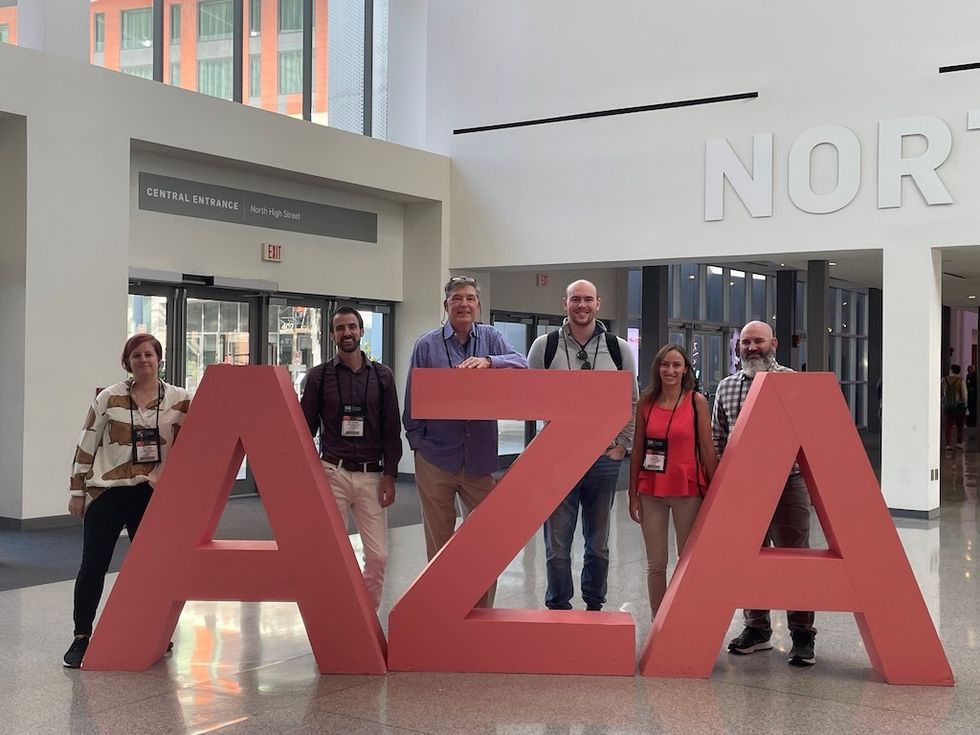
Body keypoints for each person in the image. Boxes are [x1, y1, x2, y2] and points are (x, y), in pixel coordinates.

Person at [64, 334, 191, 668]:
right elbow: (86, 443)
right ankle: (81, 636)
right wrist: (77, 491)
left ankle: (155, 633)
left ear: (159, 359)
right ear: (127, 361)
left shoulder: (180, 399)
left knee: (152, 568)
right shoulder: (109, 398)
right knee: (93, 565)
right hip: (107, 490)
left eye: (149, 354)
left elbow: (195, 443)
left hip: (151, 493)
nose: (143, 360)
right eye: (136, 355)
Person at [403, 276, 528, 608]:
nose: (464, 304)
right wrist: (417, 443)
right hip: (435, 458)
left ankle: (479, 615)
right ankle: (442, 612)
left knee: (486, 542)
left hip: (478, 460)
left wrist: (490, 362)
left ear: (478, 305)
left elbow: (523, 365)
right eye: (457, 298)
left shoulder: (491, 338)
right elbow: (412, 398)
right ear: (446, 306)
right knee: (439, 542)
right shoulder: (426, 345)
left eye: (470, 298)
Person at [527, 279, 637, 612]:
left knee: (598, 544)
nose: (582, 305)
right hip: (557, 458)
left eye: (588, 299)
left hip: (603, 458)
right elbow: (531, 398)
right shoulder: (544, 347)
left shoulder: (619, 348)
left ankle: (594, 606)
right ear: (565, 303)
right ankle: (558, 607)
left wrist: (623, 445)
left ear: (598, 304)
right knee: (557, 546)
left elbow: (631, 400)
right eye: (576, 299)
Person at [711, 320, 817, 666]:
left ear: (773, 342)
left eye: (758, 341)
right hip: (743, 487)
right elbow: (718, 440)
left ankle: (802, 634)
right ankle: (756, 629)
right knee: (748, 557)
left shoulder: (792, 383)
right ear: (737, 346)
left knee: (795, 558)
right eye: (745, 342)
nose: (751, 347)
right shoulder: (726, 388)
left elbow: (810, 437)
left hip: (789, 482)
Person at [301, 306, 402, 610]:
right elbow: (305, 428)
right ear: (332, 335)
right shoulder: (319, 377)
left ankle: (365, 619)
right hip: (333, 472)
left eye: (352, 327)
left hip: (373, 475)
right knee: (331, 552)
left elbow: (391, 428)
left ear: (361, 331)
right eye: (340, 328)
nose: (347, 333)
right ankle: (336, 617)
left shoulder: (382, 376)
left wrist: (391, 474)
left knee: (378, 556)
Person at [628, 344, 717, 619]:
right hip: (651, 489)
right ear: (658, 368)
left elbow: (706, 447)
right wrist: (633, 494)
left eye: (676, 365)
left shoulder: (696, 401)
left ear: (686, 370)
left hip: (687, 489)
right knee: (656, 563)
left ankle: (685, 619)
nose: (670, 370)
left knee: (687, 561)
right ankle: (660, 621)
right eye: (665, 364)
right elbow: (638, 449)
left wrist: (716, 491)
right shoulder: (645, 403)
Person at [941, 364, 968, 450]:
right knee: (960, 425)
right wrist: (965, 405)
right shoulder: (961, 381)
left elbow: (942, 393)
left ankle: (948, 444)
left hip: (947, 406)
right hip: (958, 406)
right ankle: (959, 443)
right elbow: (964, 395)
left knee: (948, 425)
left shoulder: (944, 380)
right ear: (959, 371)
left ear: (951, 370)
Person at [965, 364, 977, 428]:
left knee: (972, 408)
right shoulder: (969, 375)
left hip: (973, 394)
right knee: (972, 408)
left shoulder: (973, 375)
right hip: (972, 394)